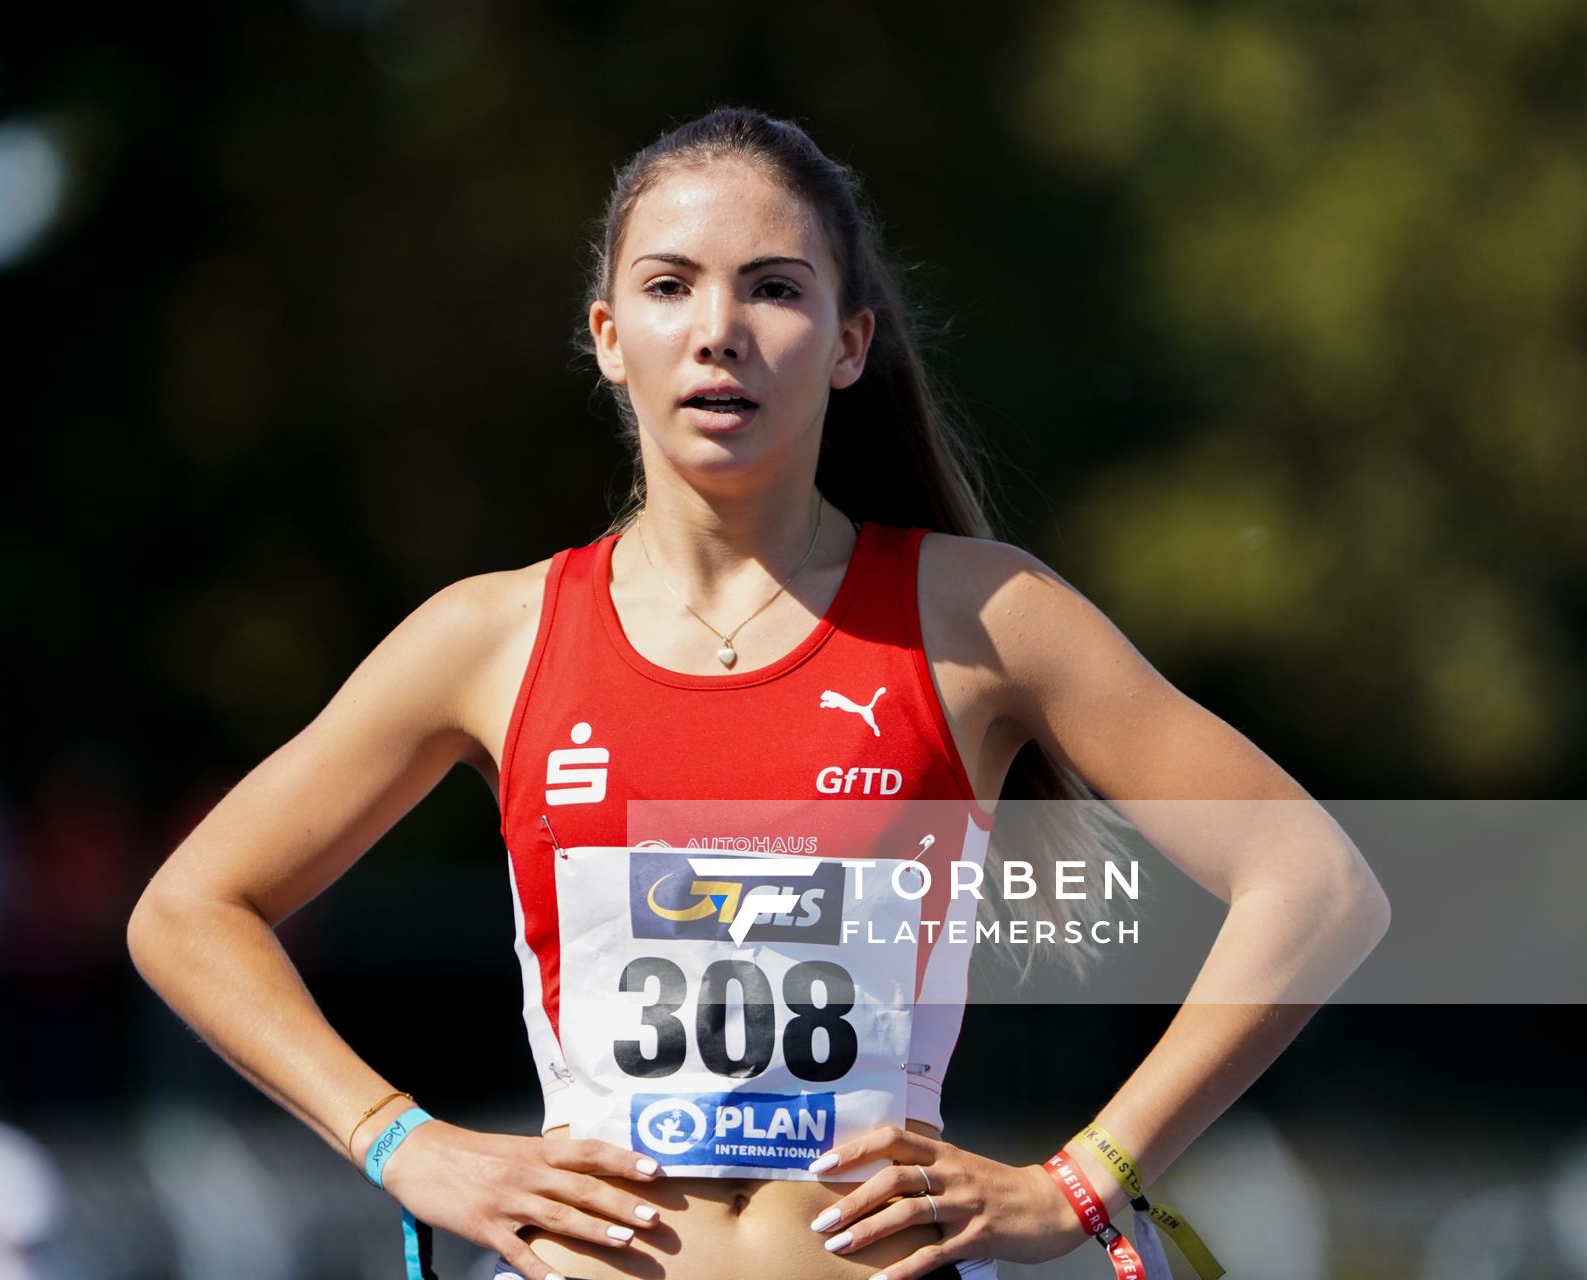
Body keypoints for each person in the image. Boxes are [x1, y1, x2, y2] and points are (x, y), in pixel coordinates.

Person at [126, 107, 1390, 1280]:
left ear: (849, 344)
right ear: (609, 337)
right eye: (670, 286)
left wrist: (1085, 1179)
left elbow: (1318, 885)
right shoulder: (489, 635)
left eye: (774, 288)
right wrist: (404, 1143)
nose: (718, 327)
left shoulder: (983, 617)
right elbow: (188, 907)